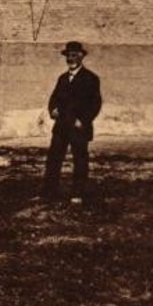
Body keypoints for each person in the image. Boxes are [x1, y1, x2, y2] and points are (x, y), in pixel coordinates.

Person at [43, 41, 102, 203]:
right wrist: (52, 109)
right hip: (61, 126)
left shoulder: (91, 79)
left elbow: (95, 104)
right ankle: (49, 192)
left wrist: (82, 121)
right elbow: (53, 98)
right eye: (68, 55)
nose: (71, 58)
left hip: (78, 127)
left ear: (82, 56)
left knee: (80, 159)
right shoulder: (62, 79)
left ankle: (78, 193)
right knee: (54, 158)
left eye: (75, 55)